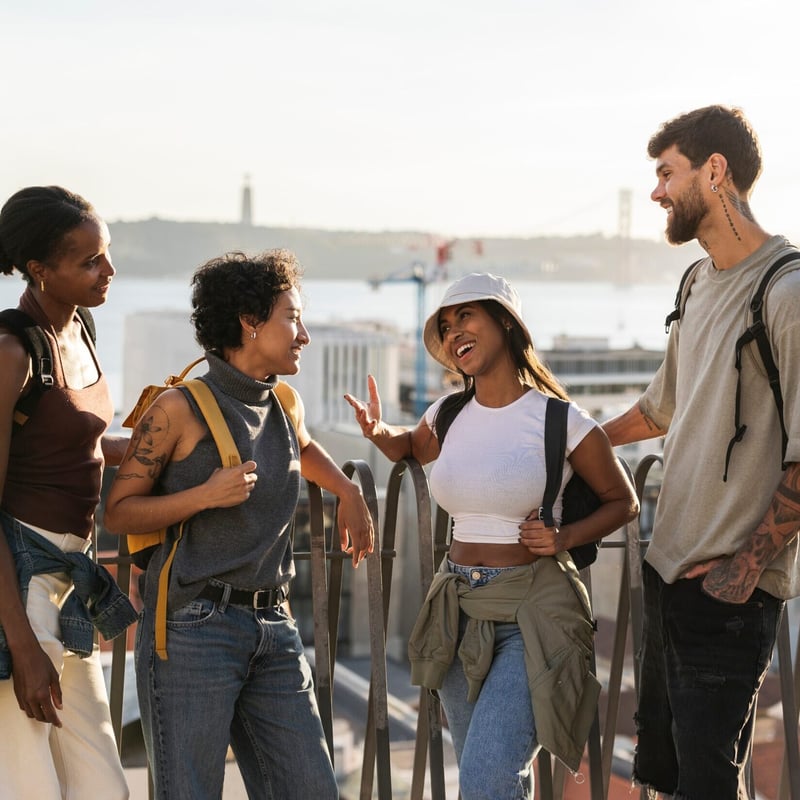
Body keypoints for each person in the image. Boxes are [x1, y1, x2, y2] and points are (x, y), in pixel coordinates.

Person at [345, 271, 638, 799]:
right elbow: (407, 446)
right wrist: (376, 431)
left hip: (533, 614)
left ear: (505, 322)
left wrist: (564, 535)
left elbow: (625, 501)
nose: (454, 331)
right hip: (457, 609)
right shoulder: (448, 413)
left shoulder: (560, 420)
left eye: (466, 316)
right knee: (486, 774)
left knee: (485, 780)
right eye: (446, 324)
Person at [103, 249, 374, 800]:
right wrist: (204, 496)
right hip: (193, 630)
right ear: (249, 324)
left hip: (275, 625)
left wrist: (347, 490)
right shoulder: (178, 409)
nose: (304, 334)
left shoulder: (282, 401)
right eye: (292, 318)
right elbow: (119, 511)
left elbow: (303, 445)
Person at [602, 105, 800, 798]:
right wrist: (574, 441)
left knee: (706, 787)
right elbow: (661, 408)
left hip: (728, 592)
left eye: (667, 173)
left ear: (715, 172)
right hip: (668, 575)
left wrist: (743, 572)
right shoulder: (696, 282)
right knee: (669, 776)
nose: (656, 192)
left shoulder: (789, 290)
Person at [0, 186, 136, 799]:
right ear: (39, 270)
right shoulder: (11, 353)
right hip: (21, 590)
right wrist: (22, 646)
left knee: (103, 785)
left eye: (104, 255)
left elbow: (71, 445)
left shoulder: (82, 329)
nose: (108, 271)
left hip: (72, 585)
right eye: (89, 261)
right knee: (28, 785)